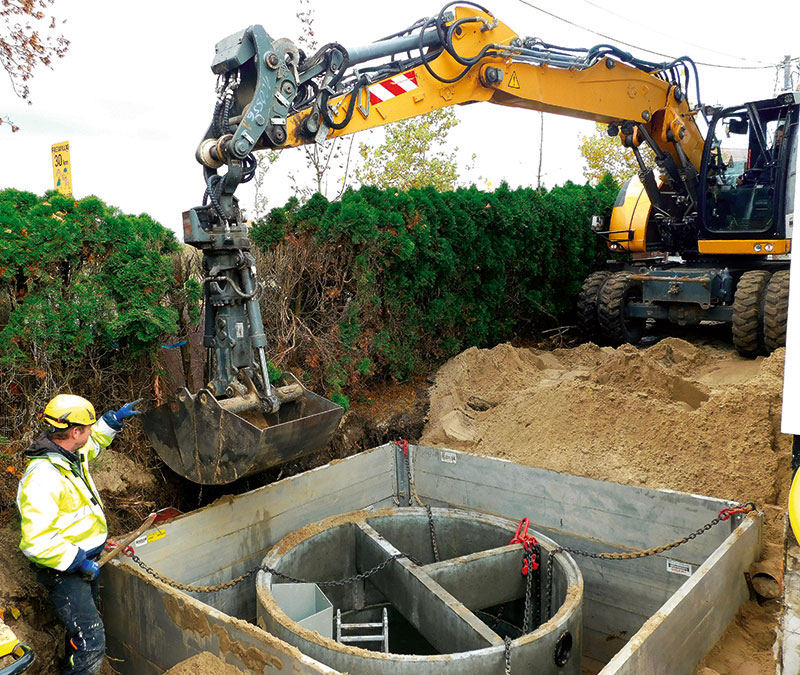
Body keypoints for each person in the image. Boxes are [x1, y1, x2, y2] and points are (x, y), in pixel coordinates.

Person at [16, 394, 142, 675]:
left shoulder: (69, 456)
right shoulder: (43, 477)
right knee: (91, 642)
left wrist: (112, 422)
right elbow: (36, 542)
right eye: (87, 426)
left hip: (86, 560)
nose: (90, 430)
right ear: (74, 432)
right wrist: (78, 561)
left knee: (80, 631)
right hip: (65, 571)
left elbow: (93, 441)